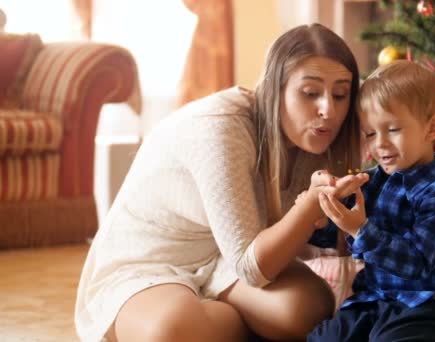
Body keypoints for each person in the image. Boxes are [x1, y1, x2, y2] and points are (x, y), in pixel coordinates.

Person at [75, 23, 369, 342]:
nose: (328, 110)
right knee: (172, 330)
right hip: (151, 260)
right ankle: (200, 320)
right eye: (310, 93)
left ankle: (207, 320)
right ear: (275, 89)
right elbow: (251, 267)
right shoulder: (221, 129)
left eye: (340, 94)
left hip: (222, 262)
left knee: (308, 308)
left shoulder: (313, 138)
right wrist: (309, 204)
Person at [307, 60, 435, 342]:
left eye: (393, 129)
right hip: (376, 298)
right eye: (371, 133)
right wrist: (325, 216)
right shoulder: (371, 181)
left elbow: (417, 261)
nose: (380, 144)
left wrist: (361, 230)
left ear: (431, 129)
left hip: (430, 304)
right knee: (325, 338)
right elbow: (333, 238)